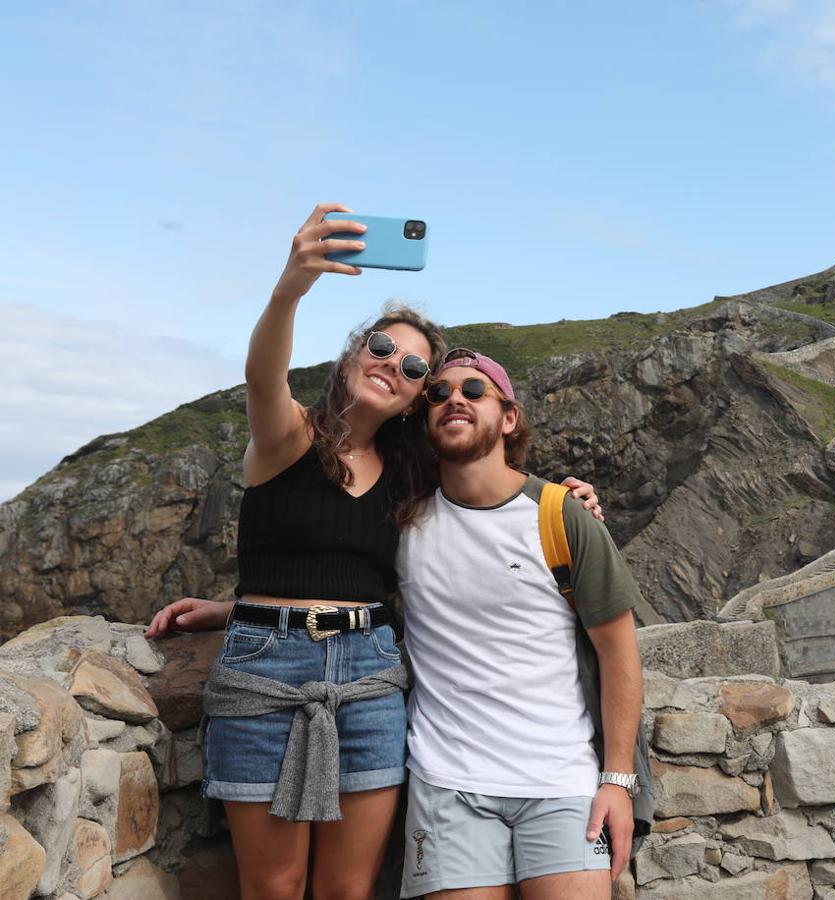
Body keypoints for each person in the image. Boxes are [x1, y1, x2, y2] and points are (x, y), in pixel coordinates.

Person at [146, 204, 602, 900]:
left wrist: (569, 500)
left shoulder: (410, 483)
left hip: (368, 676)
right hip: (263, 670)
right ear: (354, 355)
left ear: (418, 399)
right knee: (274, 886)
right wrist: (291, 285)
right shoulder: (288, 438)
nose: (394, 365)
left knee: (347, 891)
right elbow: (262, 376)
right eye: (382, 349)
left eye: (415, 366)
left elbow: (487, 491)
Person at [396, 349, 653, 900]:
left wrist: (617, 781)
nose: (454, 400)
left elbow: (618, 652)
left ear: (508, 417)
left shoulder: (561, 515)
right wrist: (235, 610)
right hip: (447, 785)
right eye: (438, 394)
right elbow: (339, 585)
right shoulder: (403, 524)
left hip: (563, 783)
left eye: (473, 390)